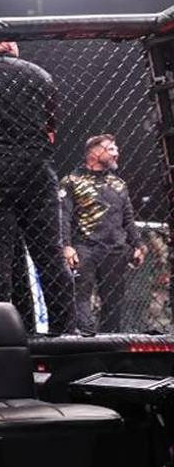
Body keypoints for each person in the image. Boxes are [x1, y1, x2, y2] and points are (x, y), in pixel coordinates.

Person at [0, 41, 75, 333]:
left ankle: (5, 333)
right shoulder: (41, 75)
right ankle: (65, 333)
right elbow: (51, 131)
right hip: (37, 169)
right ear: (8, 45)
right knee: (49, 255)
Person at [60, 133, 145, 334]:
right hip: (84, 248)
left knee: (114, 302)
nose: (117, 153)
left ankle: (112, 344)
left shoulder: (119, 184)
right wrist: (66, 245)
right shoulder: (72, 180)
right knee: (80, 297)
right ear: (96, 152)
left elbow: (128, 219)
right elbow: (63, 216)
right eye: (112, 149)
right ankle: (87, 341)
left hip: (115, 249)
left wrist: (139, 245)